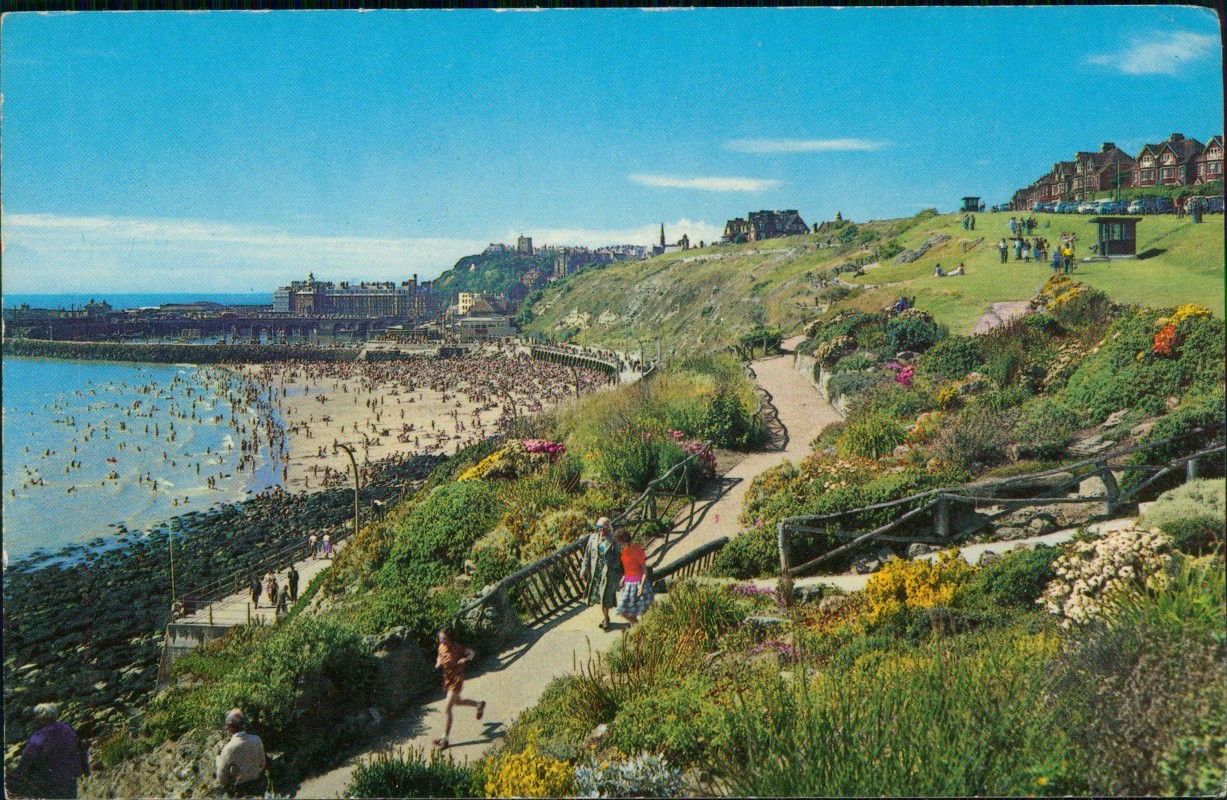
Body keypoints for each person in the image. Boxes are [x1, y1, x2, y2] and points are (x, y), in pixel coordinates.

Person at [8, 703, 90, 799]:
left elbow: (27, 758)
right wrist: (86, 770)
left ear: (40, 718)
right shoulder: (67, 729)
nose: (34, 718)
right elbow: (81, 749)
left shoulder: (40, 736)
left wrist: (16, 777)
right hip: (70, 777)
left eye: (36, 716)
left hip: (49, 780)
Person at [431, 628, 486, 750]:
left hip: (456, 680)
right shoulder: (441, 647)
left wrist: (465, 659)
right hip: (448, 679)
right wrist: (438, 662)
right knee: (458, 702)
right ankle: (479, 705)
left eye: (444, 639)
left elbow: (471, 653)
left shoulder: (457, 648)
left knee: (447, 709)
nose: (442, 641)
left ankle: (445, 739)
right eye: (440, 638)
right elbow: (439, 656)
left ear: (449, 638)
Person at [583, 517, 624, 631]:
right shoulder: (593, 538)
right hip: (595, 572)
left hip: (607, 573)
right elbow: (587, 555)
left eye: (603, 527)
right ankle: (605, 616)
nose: (600, 529)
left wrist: (612, 567)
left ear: (608, 528)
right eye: (599, 527)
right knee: (599, 596)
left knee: (605, 596)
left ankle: (606, 619)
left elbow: (617, 558)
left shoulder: (613, 541)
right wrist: (583, 569)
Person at [214, 709, 265, 797]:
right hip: (257, 786)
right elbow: (262, 764)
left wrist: (218, 761)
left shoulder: (228, 748)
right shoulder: (256, 740)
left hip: (239, 791)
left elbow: (221, 779)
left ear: (230, 727)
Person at [615, 530, 653, 625]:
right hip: (628, 584)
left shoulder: (636, 549)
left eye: (619, 542)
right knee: (625, 611)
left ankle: (637, 626)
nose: (618, 544)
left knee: (631, 611)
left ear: (623, 540)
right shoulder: (624, 551)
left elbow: (645, 570)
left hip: (638, 584)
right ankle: (637, 626)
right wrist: (624, 577)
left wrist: (641, 586)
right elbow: (629, 567)